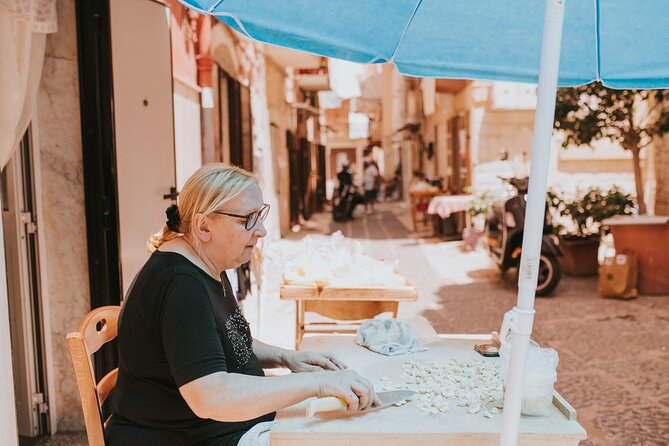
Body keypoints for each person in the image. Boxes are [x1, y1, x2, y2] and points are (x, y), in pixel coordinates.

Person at [106, 163, 378, 446]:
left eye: (259, 216)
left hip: (224, 428)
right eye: (246, 218)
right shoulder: (181, 286)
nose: (260, 230)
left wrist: (286, 357)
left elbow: (225, 337)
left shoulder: (205, 261)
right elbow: (210, 397)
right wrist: (317, 384)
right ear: (203, 226)